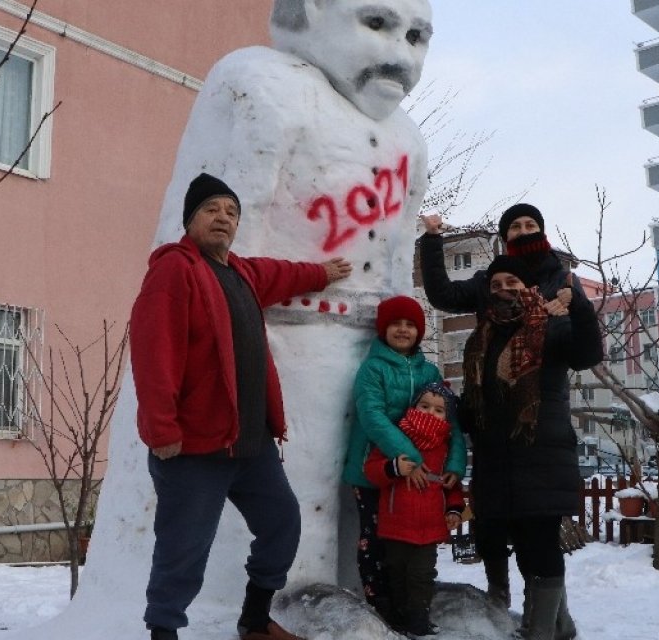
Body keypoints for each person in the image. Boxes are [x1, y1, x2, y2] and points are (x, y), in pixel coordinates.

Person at [138, 0, 436, 595]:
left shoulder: (407, 137)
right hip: (278, 349)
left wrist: (404, 347)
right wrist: (168, 418)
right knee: (279, 499)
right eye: (375, 24)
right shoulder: (266, 84)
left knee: (360, 487)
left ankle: (373, 592)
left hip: (368, 352)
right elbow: (224, 247)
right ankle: (256, 607)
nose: (399, 56)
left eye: (417, 36)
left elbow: (395, 249)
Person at [131, 173, 354, 640]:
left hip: (250, 444)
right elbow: (154, 352)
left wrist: (321, 272)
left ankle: (254, 620)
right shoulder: (176, 270)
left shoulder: (241, 273)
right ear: (190, 219)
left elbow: (281, 273)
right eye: (212, 209)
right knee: (183, 550)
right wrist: (162, 430)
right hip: (194, 446)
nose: (223, 218)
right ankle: (163, 631)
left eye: (231, 212)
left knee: (282, 525)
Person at [456, 212, 603, 640]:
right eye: (497, 285)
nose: (504, 290)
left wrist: (578, 304)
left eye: (513, 284)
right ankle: (561, 626)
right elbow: (477, 402)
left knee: (539, 547)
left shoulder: (549, 328)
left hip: (540, 454)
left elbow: (588, 353)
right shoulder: (480, 338)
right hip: (496, 460)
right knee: (521, 548)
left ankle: (539, 631)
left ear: (526, 290)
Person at [416, 204, 551, 610]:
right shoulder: (487, 282)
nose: (523, 231)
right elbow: (442, 294)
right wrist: (434, 239)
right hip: (490, 419)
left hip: (534, 422)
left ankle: (543, 617)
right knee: (490, 519)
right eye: (515, 225)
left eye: (530, 225)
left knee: (533, 531)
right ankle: (498, 603)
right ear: (504, 234)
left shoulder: (555, 281)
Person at [341, 296, 466, 625]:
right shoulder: (373, 368)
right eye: (396, 323)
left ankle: (411, 605)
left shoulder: (429, 370)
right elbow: (372, 416)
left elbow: (450, 425)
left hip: (422, 474)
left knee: (411, 543)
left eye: (410, 324)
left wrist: (454, 465)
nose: (403, 329)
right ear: (383, 329)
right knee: (376, 540)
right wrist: (407, 457)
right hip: (374, 467)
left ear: (419, 331)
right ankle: (381, 605)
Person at [363, 382, 466, 637]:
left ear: (448, 416)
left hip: (429, 528)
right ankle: (399, 617)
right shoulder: (397, 439)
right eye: (424, 406)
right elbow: (372, 470)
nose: (430, 412)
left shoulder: (446, 446)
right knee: (396, 574)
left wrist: (454, 510)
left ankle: (419, 621)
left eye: (439, 410)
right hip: (396, 524)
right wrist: (393, 468)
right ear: (413, 407)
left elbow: (450, 485)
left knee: (421, 576)